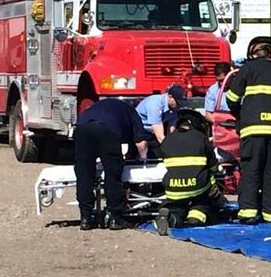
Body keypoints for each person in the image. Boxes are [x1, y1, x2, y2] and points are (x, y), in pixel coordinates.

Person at [226, 36, 271, 224]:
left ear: (252, 53)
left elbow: (232, 98)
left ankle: (248, 213)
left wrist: (241, 114)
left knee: (251, 170)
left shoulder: (247, 69)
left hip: (253, 130)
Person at [73, 98, 149, 231]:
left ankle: (85, 218)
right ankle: (115, 218)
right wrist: (143, 161)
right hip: (107, 130)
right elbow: (141, 143)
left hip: (81, 129)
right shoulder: (131, 112)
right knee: (112, 174)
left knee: (84, 174)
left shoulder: (98, 106)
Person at [154, 111, 228, 235]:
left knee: (177, 208)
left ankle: (170, 218)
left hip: (173, 188)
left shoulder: (168, 139)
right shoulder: (200, 138)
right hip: (197, 187)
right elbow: (212, 165)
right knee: (204, 203)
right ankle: (196, 217)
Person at [136, 84, 187, 150]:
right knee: (143, 145)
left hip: (156, 129)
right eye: (177, 102)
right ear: (170, 96)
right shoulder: (155, 104)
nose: (179, 106)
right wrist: (173, 150)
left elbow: (171, 129)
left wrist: (173, 142)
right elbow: (160, 137)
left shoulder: (173, 107)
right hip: (140, 129)